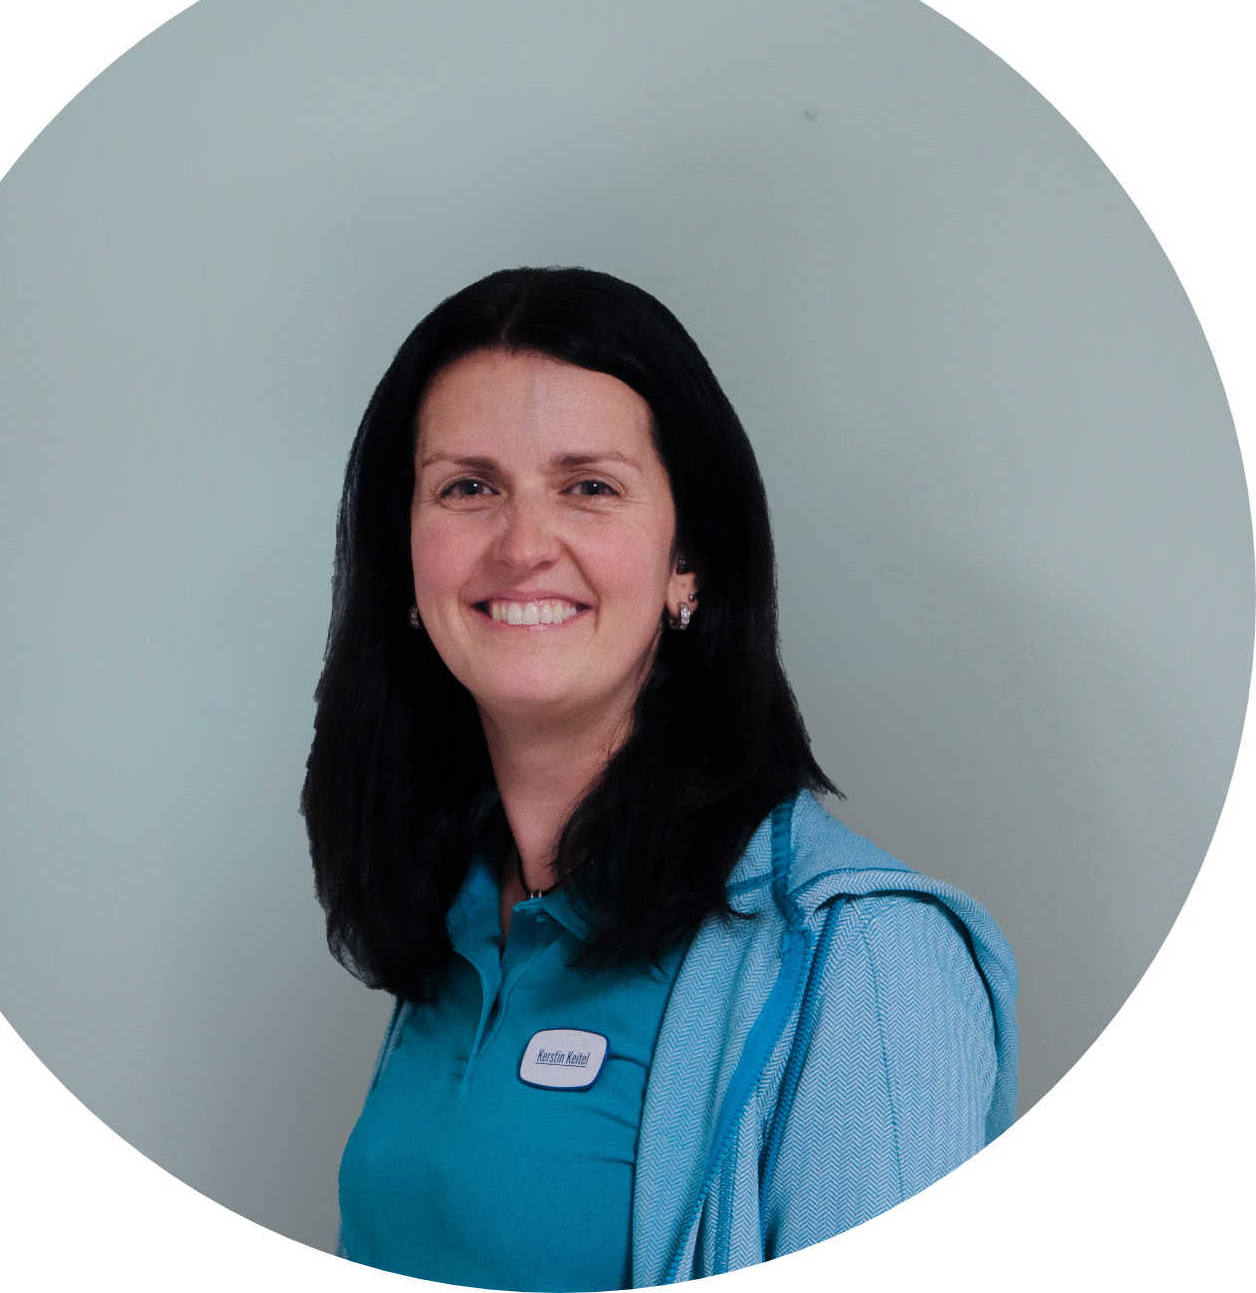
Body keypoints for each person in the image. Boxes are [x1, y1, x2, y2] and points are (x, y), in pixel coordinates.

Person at [301, 267, 1018, 1289]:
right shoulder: (456, 918)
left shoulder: (871, 959)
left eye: (588, 487)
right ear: (406, 559)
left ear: (689, 560)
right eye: (468, 486)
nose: (521, 544)